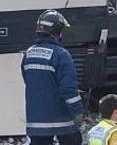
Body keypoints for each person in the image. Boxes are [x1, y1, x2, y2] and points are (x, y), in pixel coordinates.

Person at [22, 10, 84, 145]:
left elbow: (29, 82)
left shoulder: (29, 54)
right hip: (62, 119)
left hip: (36, 121)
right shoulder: (61, 55)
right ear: (57, 32)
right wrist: (78, 112)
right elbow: (69, 89)